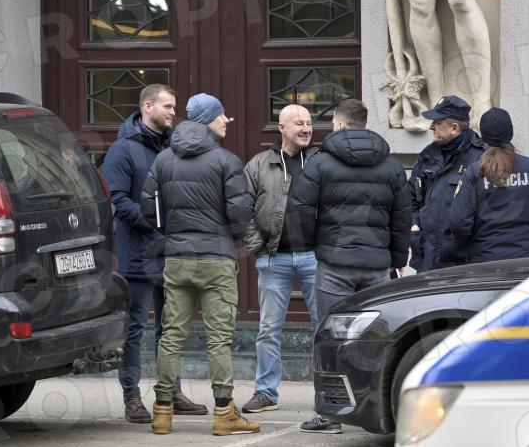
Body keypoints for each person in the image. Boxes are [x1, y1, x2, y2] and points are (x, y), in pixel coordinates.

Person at [288, 98, 411, 434]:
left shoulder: (320, 163)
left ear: (340, 124)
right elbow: (402, 217)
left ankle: (331, 414)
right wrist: (397, 260)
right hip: (376, 265)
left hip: (334, 264)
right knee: (377, 337)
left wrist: (311, 247)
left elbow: (299, 210)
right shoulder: (391, 166)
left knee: (330, 338)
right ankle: (376, 408)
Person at [142, 93, 259, 436]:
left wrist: (172, 232)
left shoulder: (164, 158)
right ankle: (224, 414)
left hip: (177, 258)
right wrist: (230, 235)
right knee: (218, 340)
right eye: (222, 115)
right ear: (209, 119)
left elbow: (149, 208)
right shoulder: (226, 160)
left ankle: (162, 413)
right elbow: (240, 215)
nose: (227, 121)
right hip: (216, 259)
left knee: (171, 336)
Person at [101, 85, 207, 423]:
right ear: (148, 107)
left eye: (174, 107)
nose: (174, 112)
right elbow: (117, 200)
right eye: (168, 106)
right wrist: (154, 223)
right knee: (134, 330)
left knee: (170, 328)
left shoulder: (175, 148)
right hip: (137, 256)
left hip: (171, 254)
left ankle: (171, 393)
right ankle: (132, 398)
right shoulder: (122, 149)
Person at [241, 104, 320, 414]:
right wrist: (258, 248)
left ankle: (327, 391)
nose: (306, 128)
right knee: (268, 329)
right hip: (275, 259)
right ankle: (265, 392)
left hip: (316, 257)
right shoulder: (259, 164)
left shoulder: (320, 160)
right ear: (282, 128)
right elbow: (243, 209)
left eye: (309, 123)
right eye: (299, 123)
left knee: (324, 328)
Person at [447, 107, 529, 262]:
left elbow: (459, 223)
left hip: (484, 263)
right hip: (525, 260)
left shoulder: (474, 172)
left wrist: (474, 244)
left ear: (483, 136)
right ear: (510, 133)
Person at [409, 95, 485, 272]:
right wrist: (414, 225)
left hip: (464, 262)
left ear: (454, 127)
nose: (431, 127)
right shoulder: (427, 156)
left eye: (437, 122)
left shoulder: (481, 158)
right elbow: (409, 198)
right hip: (427, 257)